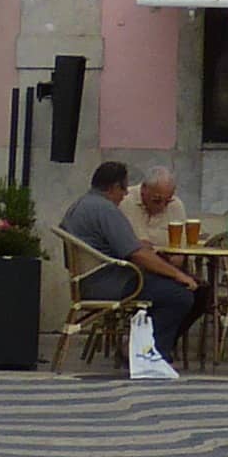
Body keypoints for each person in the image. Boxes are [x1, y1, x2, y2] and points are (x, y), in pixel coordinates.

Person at [63, 158, 210, 368]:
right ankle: (144, 353)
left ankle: (145, 347)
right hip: (110, 282)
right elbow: (137, 254)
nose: (124, 195)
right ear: (114, 187)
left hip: (94, 278)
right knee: (180, 295)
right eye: (123, 190)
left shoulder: (81, 205)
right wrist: (178, 274)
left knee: (183, 290)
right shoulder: (106, 210)